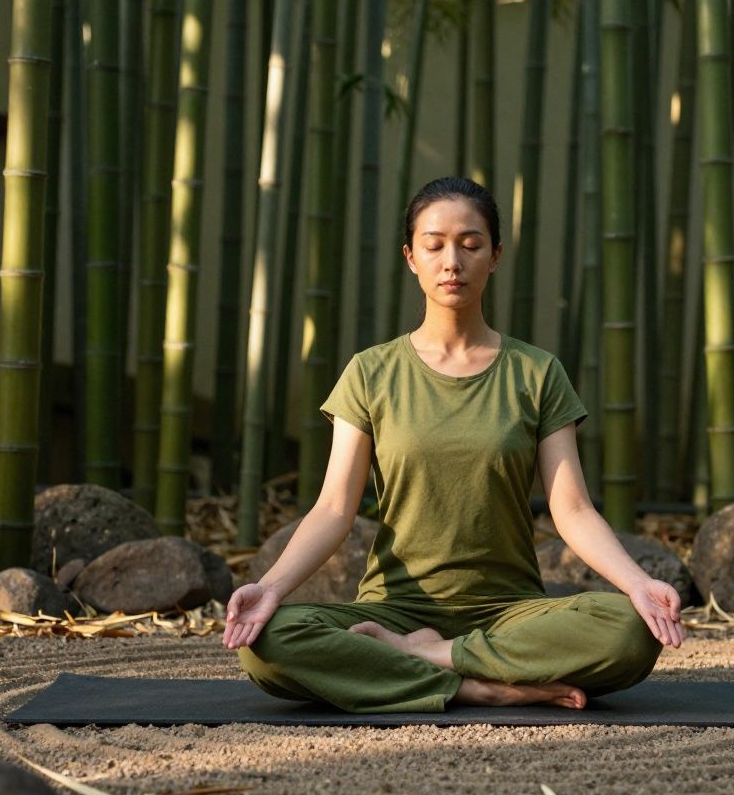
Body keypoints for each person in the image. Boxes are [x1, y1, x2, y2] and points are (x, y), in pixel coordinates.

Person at [222, 177, 685, 713]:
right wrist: (272, 588)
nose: (452, 261)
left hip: (509, 613)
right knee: (267, 643)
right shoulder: (371, 372)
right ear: (410, 257)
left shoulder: (537, 373)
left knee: (629, 630)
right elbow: (332, 508)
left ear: (495, 257)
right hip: (394, 607)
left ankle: (428, 659)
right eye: (434, 244)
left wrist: (637, 583)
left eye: (470, 245)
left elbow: (573, 509)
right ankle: (475, 685)